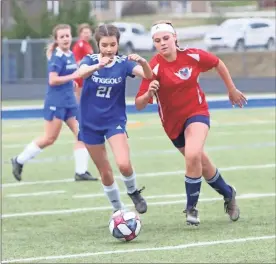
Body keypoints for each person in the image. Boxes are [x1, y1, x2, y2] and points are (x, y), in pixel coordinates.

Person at [135, 21, 247, 225]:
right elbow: (139, 104)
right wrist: (149, 92)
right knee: (200, 163)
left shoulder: (193, 55)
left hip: (197, 113)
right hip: (172, 124)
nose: (162, 43)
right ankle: (228, 193)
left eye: (166, 38)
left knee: (193, 154)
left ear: (175, 37)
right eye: (157, 40)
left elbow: (217, 63)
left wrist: (231, 89)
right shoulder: (153, 67)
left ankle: (191, 208)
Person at [75, 24, 153, 214]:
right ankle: (119, 210)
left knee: (124, 164)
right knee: (105, 172)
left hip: (114, 121)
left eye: (112, 44)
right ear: (98, 44)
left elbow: (149, 76)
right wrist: (97, 66)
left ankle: (133, 192)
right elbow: (80, 73)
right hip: (89, 124)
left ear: (118, 44)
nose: (109, 49)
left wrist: (143, 62)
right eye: (104, 45)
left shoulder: (123, 63)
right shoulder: (89, 60)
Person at [11, 24, 98, 182]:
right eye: (62, 36)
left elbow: (68, 75)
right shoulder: (57, 57)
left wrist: (72, 83)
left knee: (83, 134)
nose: (65, 39)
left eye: (67, 35)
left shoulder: (70, 54)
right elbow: (53, 80)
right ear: (57, 40)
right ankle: (19, 160)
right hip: (56, 103)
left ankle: (81, 171)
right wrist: (72, 77)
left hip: (70, 102)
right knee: (49, 138)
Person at [72, 23, 94, 102]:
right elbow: (77, 62)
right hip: (81, 78)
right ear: (80, 34)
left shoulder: (88, 45)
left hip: (87, 76)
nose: (87, 35)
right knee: (79, 100)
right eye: (85, 33)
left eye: (88, 32)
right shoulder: (79, 45)